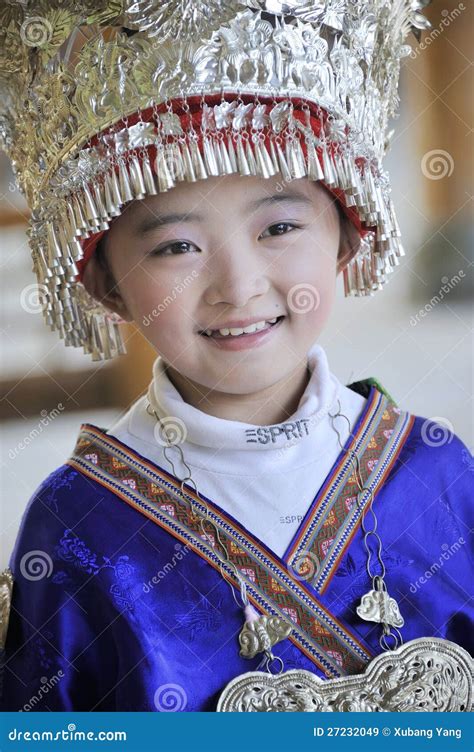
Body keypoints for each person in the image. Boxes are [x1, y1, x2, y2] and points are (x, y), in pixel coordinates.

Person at [0, 1, 472, 713]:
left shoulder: (436, 470)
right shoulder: (77, 525)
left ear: (349, 234)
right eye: (176, 247)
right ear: (105, 283)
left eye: (279, 226)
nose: (238, 287)